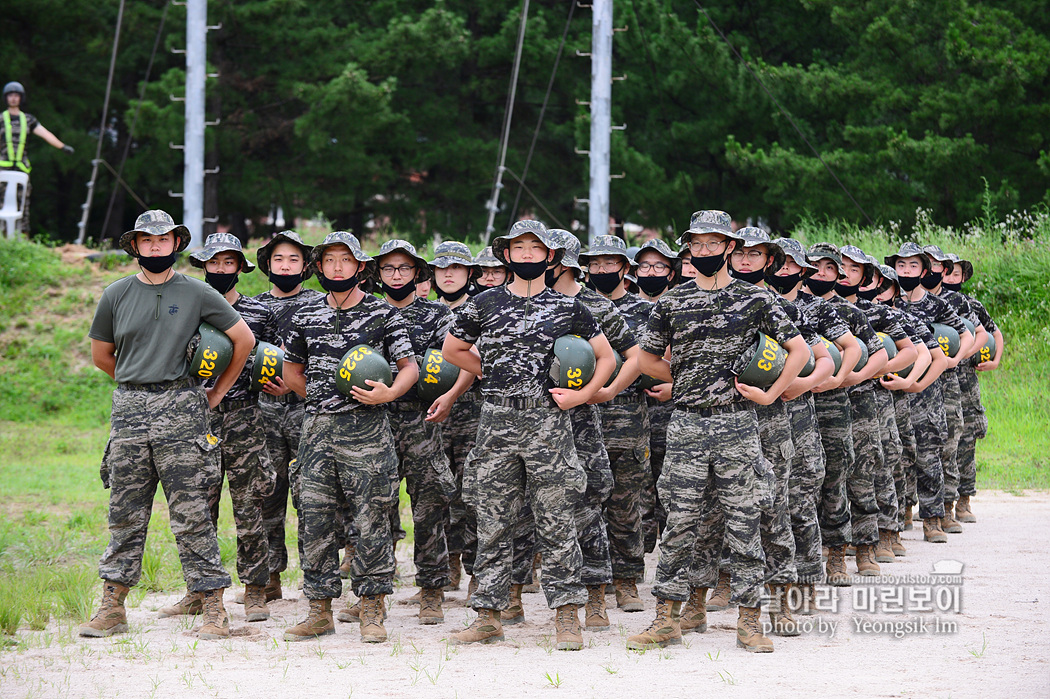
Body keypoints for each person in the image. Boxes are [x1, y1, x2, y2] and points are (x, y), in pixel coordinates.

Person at [627, 210, 809, 654]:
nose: (705, 251)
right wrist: (683, 378)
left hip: (737, 424)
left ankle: (750, 622)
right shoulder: (670, 302)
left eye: (714, 243)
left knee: (745, 521)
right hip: (686, 423)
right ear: (689, 249)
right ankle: (666, 618)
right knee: (680, 523)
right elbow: (645, 357)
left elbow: (799, 351)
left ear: (730, 247)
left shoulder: (757, 300)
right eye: (697, 245)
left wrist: (772, 394)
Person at [81, 210, 255, 640]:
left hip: (183, 408)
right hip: (130, 412)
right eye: (147, 240)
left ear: (176, 244)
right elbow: (102, 355)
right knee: (125, 512)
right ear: (136, 246)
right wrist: (138, 380)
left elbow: (244, 340)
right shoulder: (116, 294)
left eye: (163, 240)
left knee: (192, 512)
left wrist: (214, 392)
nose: (155, 247)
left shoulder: (196, 292)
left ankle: (213, 607)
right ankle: (112, 607)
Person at [442, 219, 615, 651]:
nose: (525, 255)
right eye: (517, 248)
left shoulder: (570, 308)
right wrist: (493, 374)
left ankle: (567, 618)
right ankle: (488, 616)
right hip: (497, 421)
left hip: (548, 423)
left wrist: (584, 396)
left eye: (534, 249)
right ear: (506, 255)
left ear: (550, 257)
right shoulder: (483, 303)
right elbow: (452, 350)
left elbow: (606, 356)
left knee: (557, 521)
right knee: (494, 521)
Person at [281, 231, 418, 644]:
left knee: (372, 518)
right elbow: (291, 370)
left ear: (361, 267)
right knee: (315, 521)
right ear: (318, 267)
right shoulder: (305, 314)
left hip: (368, 432)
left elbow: (409, 366)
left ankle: (372, 609)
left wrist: (390, 393)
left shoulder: (382, 314)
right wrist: (322, 401)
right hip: (317, 431)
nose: (337, 267)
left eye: (345, 260)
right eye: (329, 260)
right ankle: (319, 609)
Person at [152, 233, 278, 624]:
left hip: (244, 417)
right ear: (203, 265)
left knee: (249, 505)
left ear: (241, 267)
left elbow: (279, 362)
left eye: (229, 263)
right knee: (197, 507)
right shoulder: (185, 308)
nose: (221, 270)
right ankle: (198, 590)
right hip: (196, 418)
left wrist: (277, 381)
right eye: (214, 263)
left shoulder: (259, 313)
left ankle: (256, 589)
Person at [547, 231, 640, 625]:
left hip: (582, 424)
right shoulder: (525, 304)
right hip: (533, 422)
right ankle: (515, 595)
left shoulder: (594, 307)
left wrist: (601, 391)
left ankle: (598, 594)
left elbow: (636, 355)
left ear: (562, 263)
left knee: (588, 508)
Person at [253, 231, 324, 597]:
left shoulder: (319, 304)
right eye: (279, 259)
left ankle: (318, 578)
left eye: (294, 260)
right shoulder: (253, 306)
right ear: (268, 264)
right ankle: (270, 577)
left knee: (314, 496)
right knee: (268, 493)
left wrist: (295, 383)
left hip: (309, 411)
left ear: (306, 266)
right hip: (264, 412)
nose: (285, 266)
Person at [886, 242, 971, 543]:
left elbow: (967, 333)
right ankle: (899, 516)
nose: (906, 272)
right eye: (901, 266)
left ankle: (934, 519)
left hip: (928, 392)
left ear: (923, 271)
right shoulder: (889, 302)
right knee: (897, 455)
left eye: (912, 266)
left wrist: (951, 360)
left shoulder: (936, 305)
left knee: (928, 454)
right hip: (892, 390)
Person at [943, 252, 1002, 523]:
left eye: (956, 274)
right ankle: (938, 502)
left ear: (964, 277)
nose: (950, 278)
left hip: (966, 379)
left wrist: (995, 360)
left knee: (967, 440)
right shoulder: (931, 304)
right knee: (941, 440)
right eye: (947, 272)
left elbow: (994, 332)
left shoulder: (972, 305)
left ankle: (964, 501)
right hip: (937, 379)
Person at [633, 240, 678, 555]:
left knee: (671, 481)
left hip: (671, 407)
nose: (651, 272)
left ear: (670, 273)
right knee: (637, 484)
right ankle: (639, 552)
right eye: (645, 266)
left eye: (659, 266)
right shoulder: (623, 310)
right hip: (630, 408)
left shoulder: (679, 308)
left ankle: (670, 549)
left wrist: (674, 386)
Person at [0, 81, 74, 235]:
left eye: (16, 95)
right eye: (10, 96)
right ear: (6, 98)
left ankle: (23, 235)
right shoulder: (1, 118)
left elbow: (45, 133)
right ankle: (2, 235)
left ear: (21, 98)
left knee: (23, 203)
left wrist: (62, 146)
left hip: (22, 169)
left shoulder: (28, 120)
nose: (13, 99)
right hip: (2, 169)